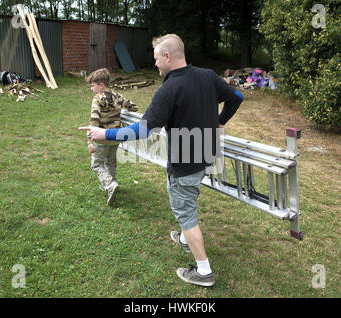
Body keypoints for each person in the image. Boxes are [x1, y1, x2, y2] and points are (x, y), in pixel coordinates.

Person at [80, 34, 243, 286]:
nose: (155, 64)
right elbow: (237, 98)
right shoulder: (208, 76)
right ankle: (185, 237)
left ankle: (203, 271)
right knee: (185, 198)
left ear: (167, 57)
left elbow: (143, 130)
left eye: (156, 59)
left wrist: (105, 133)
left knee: (185, 210)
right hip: (206, 154)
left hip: (185, 161)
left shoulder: (168, 89)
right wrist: (221, 121)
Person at [85, 68, 138, 206]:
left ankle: (110, 185)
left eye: (92, 85)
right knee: (110, 162)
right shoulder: (118, 96)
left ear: (101, 85)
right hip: (115, 137)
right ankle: (111, 183)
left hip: (101, 137)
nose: (91, 89)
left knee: (96, 164)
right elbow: (133, 106)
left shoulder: (97, 99)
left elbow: (94, 120)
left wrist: (89, 141)